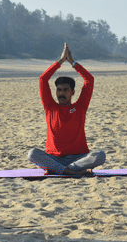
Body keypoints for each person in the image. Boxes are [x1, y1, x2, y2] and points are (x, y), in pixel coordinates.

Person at [28, 43, 106, 175]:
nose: (61, 93)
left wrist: (72, 62)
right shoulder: (50, 107)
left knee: (100, 155)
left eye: (65, 90)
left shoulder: (80, 107)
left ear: (72, 92)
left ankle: (63, 170)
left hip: (77, 158)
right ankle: (72, 171)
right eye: (59, 90)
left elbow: (89, 80)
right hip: (54, 158)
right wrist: (60, 61)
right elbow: (43, 79)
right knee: (32, 154)